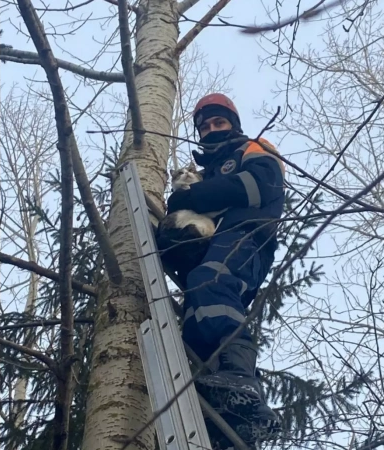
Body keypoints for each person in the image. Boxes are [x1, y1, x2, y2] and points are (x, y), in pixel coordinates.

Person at [165, 93, 285, 445]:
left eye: (219, 123)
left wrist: (195, 197)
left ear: (233, 124)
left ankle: (241, 381)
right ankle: (226, 419)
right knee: (195, 324)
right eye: (205, 126)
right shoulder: (207, 172)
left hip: (248, 235)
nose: (212, 130)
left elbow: (258, 186)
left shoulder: (254, 148)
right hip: (215, 244)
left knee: (210, 281)